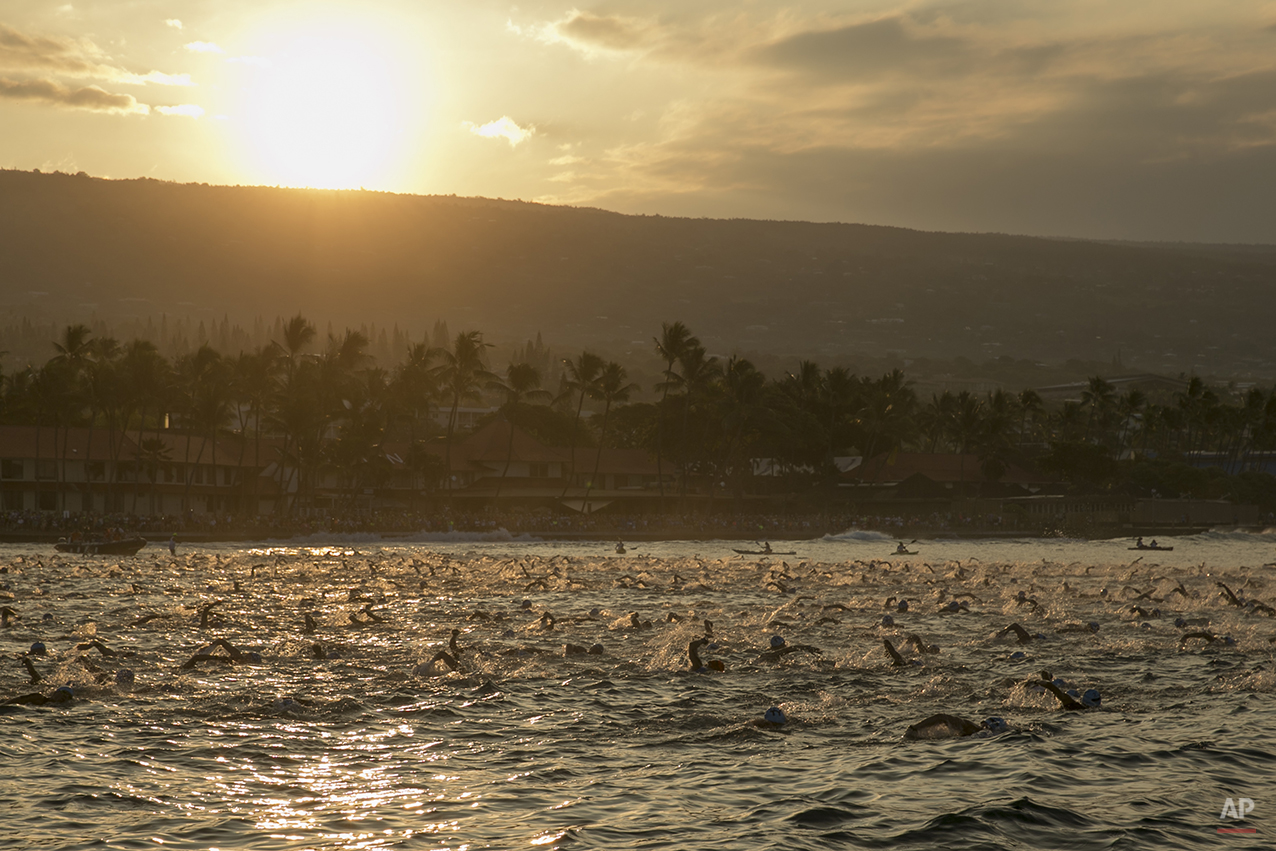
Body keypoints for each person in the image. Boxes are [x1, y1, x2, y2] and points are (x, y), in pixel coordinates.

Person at [904, 714, 1008, 740]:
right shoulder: (968, 726)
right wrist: (915, 728)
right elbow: (941, 717)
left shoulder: (969, 727)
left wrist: (916, 728)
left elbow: (941, 717)